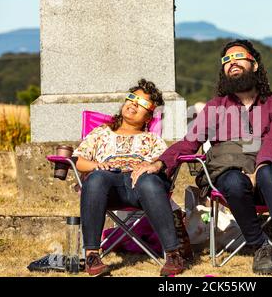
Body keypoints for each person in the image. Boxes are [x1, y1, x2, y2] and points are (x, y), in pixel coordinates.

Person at [145, 39, 272, 277]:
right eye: (226, 60)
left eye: (239, 57)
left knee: (267, 173)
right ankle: (259, 244)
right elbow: (189, 142)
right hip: (230, 174)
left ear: (254, 64)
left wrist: (258, 169)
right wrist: (161, 162)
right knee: (232, 180)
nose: (232, 62)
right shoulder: (214, 108)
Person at [73, 79, 192, 277]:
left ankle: (173, 254)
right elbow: (78, 160)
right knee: (95, 178)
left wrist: (149, 166)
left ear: (149, 116)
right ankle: (92, 255)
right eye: (132, 98)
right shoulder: (100, 133)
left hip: (142, 188)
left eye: (143, 103)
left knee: (148, 179)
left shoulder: (153, 139)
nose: (134, 104)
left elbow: (163, 163)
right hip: (109, 186)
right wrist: (96, 166)